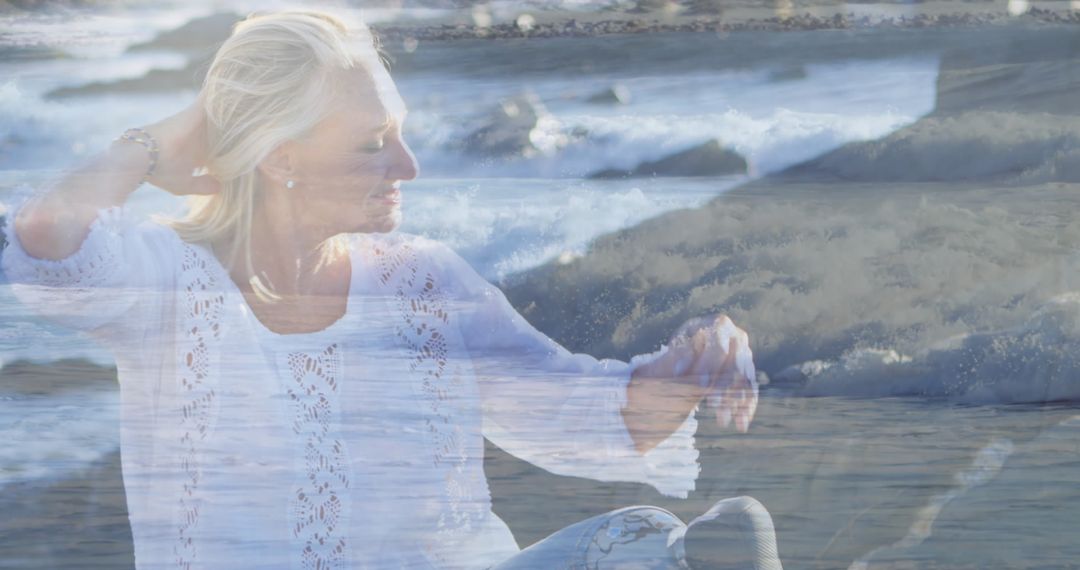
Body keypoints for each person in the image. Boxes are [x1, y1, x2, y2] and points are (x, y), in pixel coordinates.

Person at [2, 10, 780, 569]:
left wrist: (685, 372)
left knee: (713, 540)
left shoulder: (422, 279)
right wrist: (171, 134)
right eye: (374, 144)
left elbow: (574, 409)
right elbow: (46, 231)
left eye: (400, 133)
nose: (408, 167)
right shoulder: (166, 283)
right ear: (280, 156)